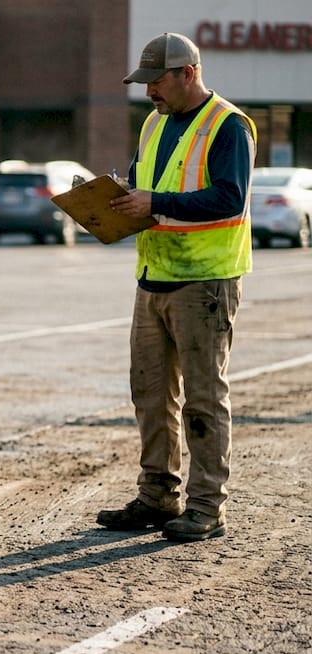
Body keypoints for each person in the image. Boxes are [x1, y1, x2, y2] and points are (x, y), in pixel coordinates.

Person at [99, 33, 255, 541]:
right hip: (153, 278)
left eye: (157, 81)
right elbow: (147, 183)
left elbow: (229, 198)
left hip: (205, 282)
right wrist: (118, 197)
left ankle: (207, 506)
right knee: (149, 394)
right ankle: (157, 496)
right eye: (145, 83)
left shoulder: (228, 125)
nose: (149, 92)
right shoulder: (154, 122)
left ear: (188, 73)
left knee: (203, 397)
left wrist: (155, 202)